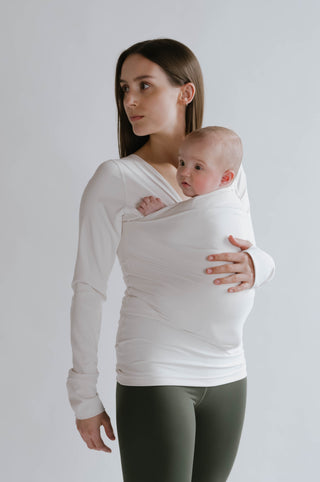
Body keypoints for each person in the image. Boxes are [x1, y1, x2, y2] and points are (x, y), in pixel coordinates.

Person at [66, 39, 275, 482]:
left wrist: (260, 265)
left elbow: (247, 246)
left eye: (144, 86)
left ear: (186, 93)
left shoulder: (226, 170)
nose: (130, 101)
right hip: (157, 365)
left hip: (228, 368)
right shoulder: (116, 179)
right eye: (124, 88)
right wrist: (83, 394)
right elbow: (89, 286)